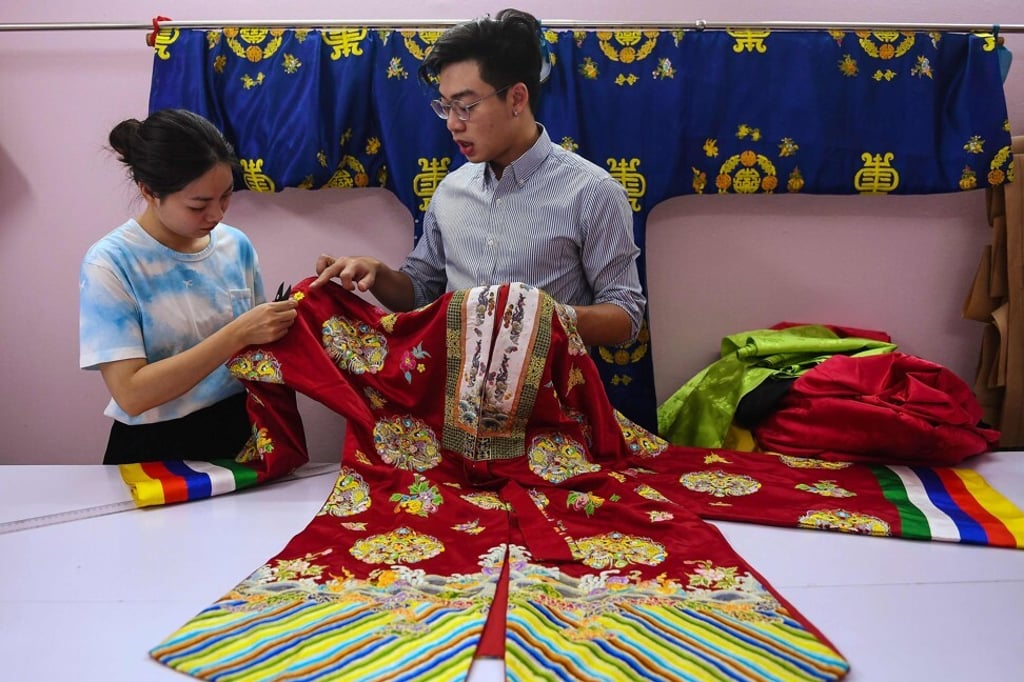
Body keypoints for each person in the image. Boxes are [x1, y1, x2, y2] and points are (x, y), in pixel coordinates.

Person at [311, 8, 645, 347]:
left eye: (466, 106)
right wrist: (378, 274)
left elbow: (626, 316)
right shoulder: (451, 190)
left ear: (516, 98)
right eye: (445, 106)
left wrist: (536, 316)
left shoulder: (592, 192)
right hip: (452, 395)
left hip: (548, 395)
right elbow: (422, 291)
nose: (453, 124)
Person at [79, 108, 298, 465]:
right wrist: (237, 334)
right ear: (149, 191)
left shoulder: (235, 245)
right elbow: (131, 394)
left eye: (226, 196)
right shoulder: (111, 262)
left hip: (240, 429)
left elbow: (258, 355)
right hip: (155, 446)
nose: (217, 215)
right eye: (199, 205)